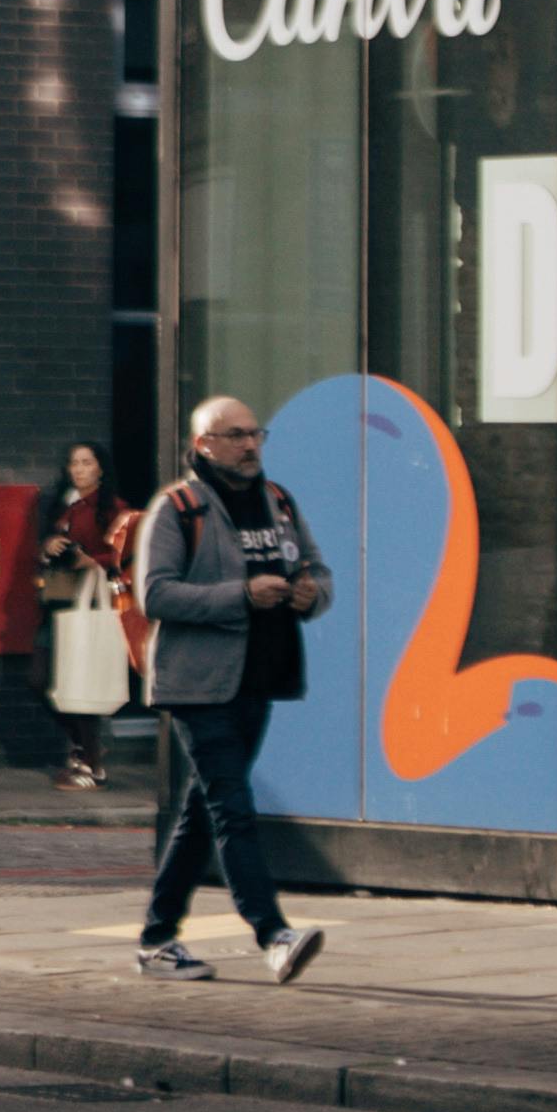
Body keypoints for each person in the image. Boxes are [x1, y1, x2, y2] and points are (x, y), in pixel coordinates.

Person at [130, 395, 328, 986]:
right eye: (235, 435)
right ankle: (274, 934)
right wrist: (240, 595)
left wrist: (311, 593)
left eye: (255, 433)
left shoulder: (278, 501)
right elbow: (156, 595)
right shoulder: (178, 507)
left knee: (202, 810)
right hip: (198, 686)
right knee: (232, 807)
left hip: (260, 678)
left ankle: (157, 940)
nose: (249, 445)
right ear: (203, 446)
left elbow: (318, 569)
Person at [27, 437, 131, 794]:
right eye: (74, 463)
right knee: (39, 679)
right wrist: (48, 546)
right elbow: (45, 547)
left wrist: (94, 561)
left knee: (80, 680)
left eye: (87, 463)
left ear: (101, 468)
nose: (79, 470)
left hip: (89, 606)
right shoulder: (62, 505)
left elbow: (126, 554)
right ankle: (82, 746)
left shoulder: (112, 507)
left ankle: (92, 764)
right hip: (58, 602)